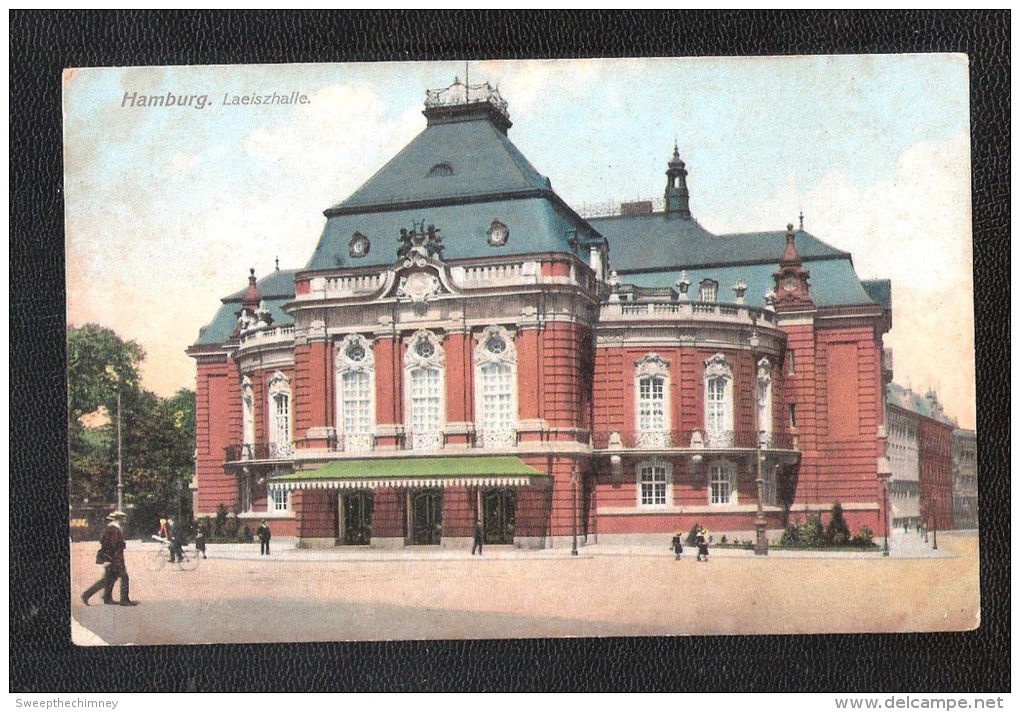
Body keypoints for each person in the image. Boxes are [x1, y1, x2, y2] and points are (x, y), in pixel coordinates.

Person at [81, 510, 138, 607]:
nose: (124, 520)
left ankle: (98, 597)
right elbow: (110, 545)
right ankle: (124, 600)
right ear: (118, 519)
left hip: (113, 557)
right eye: (122, 518)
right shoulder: (113, 529)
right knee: (124, 577)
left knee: (108, 579)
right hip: (114, 558)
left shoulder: (114, 528)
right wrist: (110, 559)